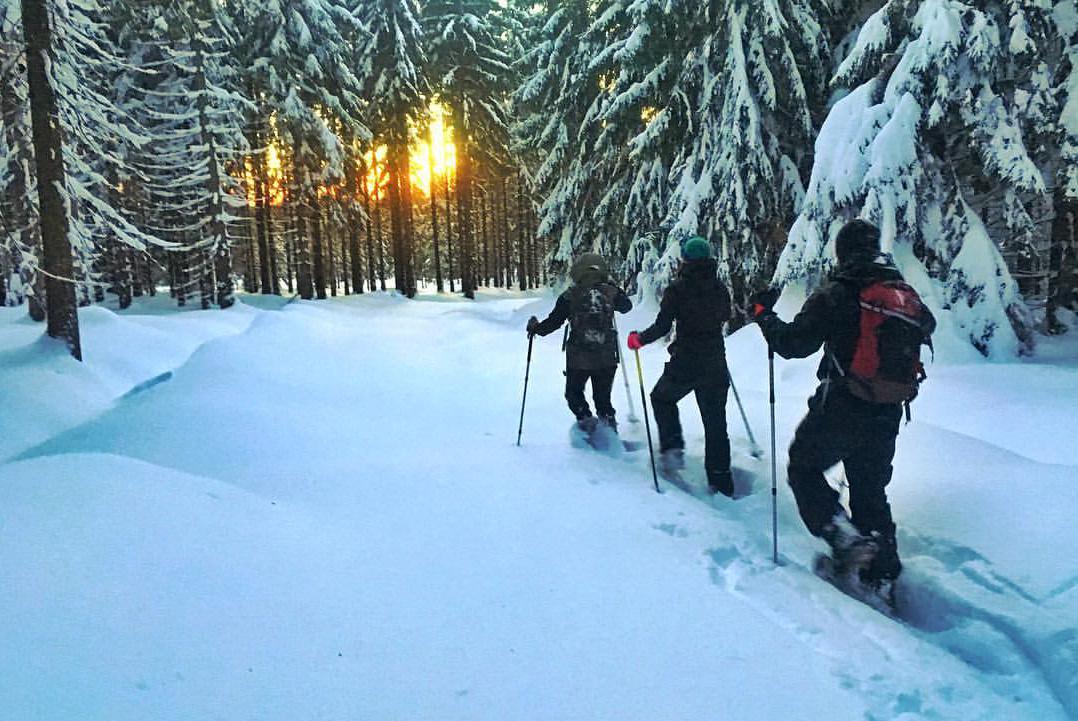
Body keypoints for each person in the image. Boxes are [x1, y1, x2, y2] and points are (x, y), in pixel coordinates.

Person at [748, 219, 935, 598]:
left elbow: (794, 344)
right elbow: (927, 325)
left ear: (842, 252)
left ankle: (843, 538)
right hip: (888, 409)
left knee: (804, 467)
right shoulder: (904, 295)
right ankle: (881, 576)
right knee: (870, 491)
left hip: (843, 404)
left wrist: (763, 315)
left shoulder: (838, 292)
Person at [626, 236, 734, 497]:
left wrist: (639, 339)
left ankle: (672, 449)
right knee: (716, 423)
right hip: (715, 362)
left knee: (661, 398)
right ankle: (721, 481)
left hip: (686, 361)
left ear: (685, 259)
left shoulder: (678, 289)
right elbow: (725, 315)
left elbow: (663, 326)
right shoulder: (719, 288)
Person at [527, 253, 632, 444]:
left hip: (578, 358)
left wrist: (536, 329)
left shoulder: (570, 295)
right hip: (606, 356)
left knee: (573, 394)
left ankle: (587, 425)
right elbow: (627, 307)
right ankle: (610, 435)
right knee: (603, 399)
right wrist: (615, 289)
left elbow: (553, 322)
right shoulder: (610, 292)